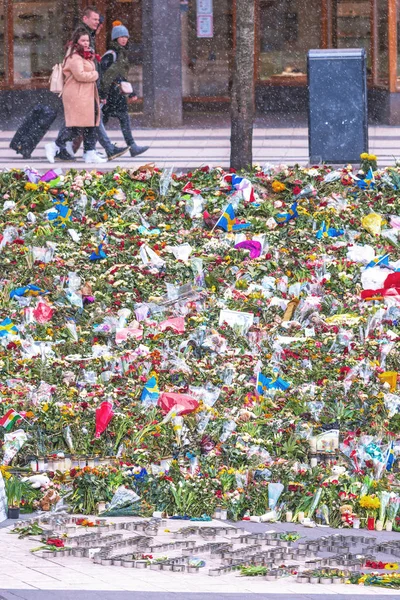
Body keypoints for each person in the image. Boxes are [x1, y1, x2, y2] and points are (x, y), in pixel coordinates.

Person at [46, 6, 128, 162]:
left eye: (99, 20)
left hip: (86, 92)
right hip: (79, 93)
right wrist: (95, 76)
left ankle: (84, 150)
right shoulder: (76, 53)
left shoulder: (86, 48)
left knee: (88, 122)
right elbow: (81, 74)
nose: (98, 23)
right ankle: (62, 146)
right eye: (95, 19)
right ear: (85, 19)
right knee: (80, 123)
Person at [56, 28, 106, 164]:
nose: (86, 43)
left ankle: (89, 152)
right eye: (83, 40)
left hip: (85, 95)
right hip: (77, 95)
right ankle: (57, 145)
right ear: (77, 41)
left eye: (87, 40)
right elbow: (80, 75)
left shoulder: (84, 55)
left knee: (90, 124)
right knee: (76, 127)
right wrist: (95, 75)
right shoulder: (74, 56)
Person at [100, 21, 149, 158]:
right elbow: (105, 76)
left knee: (116, 119)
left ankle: (131, 146)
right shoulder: (111, 54)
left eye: (125, 37)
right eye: (121, 37)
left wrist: (130, 92)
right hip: (110, 94)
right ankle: (87, 147)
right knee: (98, 123)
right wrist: (103, 94)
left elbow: (121, 76)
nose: (123, 39)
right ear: (115, 38)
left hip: (117, 93)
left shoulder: (122, 54)